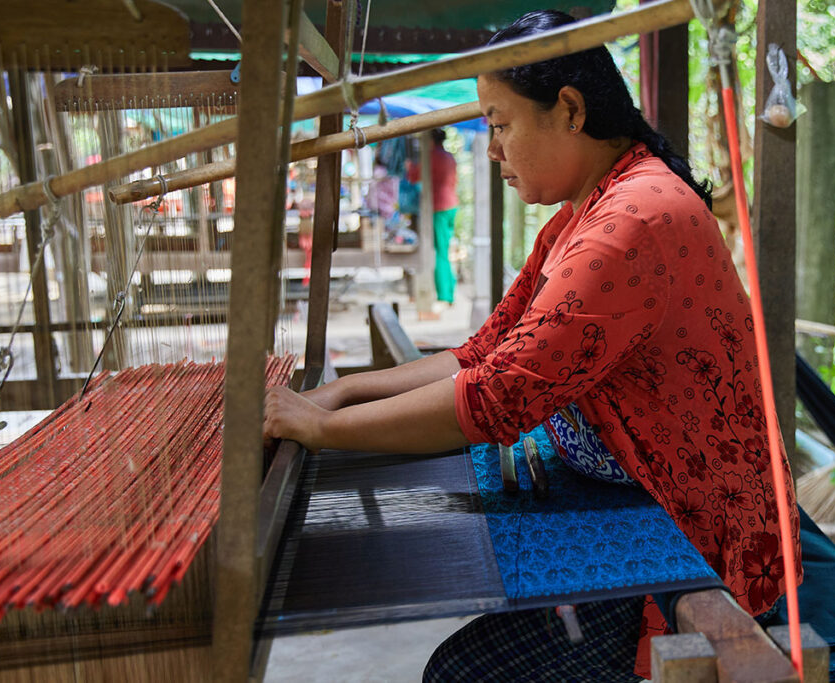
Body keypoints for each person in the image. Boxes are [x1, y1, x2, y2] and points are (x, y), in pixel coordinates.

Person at [264, 9, 801, 681]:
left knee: (463, 673)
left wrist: (321, 428)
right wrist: (338, 393)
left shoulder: (631, 222)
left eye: (498, 123)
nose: (490, 149)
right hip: (633, 503)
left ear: (569, 109)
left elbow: (495, 400)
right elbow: (481, 353)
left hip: (691, 545)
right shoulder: (584, 213)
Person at [431, 128, 459, 304]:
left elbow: (414, 176)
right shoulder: (449, 156)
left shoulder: (432, 156)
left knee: (440, 252)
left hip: (439, 206)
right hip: (452, 204)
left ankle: (445, 294)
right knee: (445, 250)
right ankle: (449, 289)